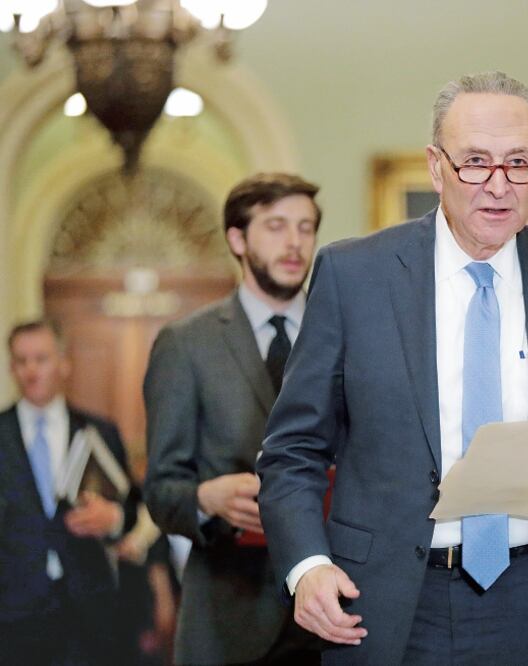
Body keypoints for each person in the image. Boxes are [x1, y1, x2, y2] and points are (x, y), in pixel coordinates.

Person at [256, 71, 528, 665]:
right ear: (436, 167)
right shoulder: (355, 277)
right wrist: (307, 565)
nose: (499, 186)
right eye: (475, 162)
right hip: (385, 604)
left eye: (519, 163)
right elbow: (292, 451)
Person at [144, 172, 322, 665]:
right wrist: (206, 497)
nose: (294, 243)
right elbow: (160, 490)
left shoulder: (341, 331)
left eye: (306, 228)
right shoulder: (186, 344)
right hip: (229, 616)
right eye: (276, 226)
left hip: (335, 611)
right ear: (237, 239)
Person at [0, 319, 136, 665]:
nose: (31, 370)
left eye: (41, 359)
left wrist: (114, 518)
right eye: (21, 361)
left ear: (63, 363)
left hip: (89, 607)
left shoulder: (99, 431)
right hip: (13, 612)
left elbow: (132, 506)